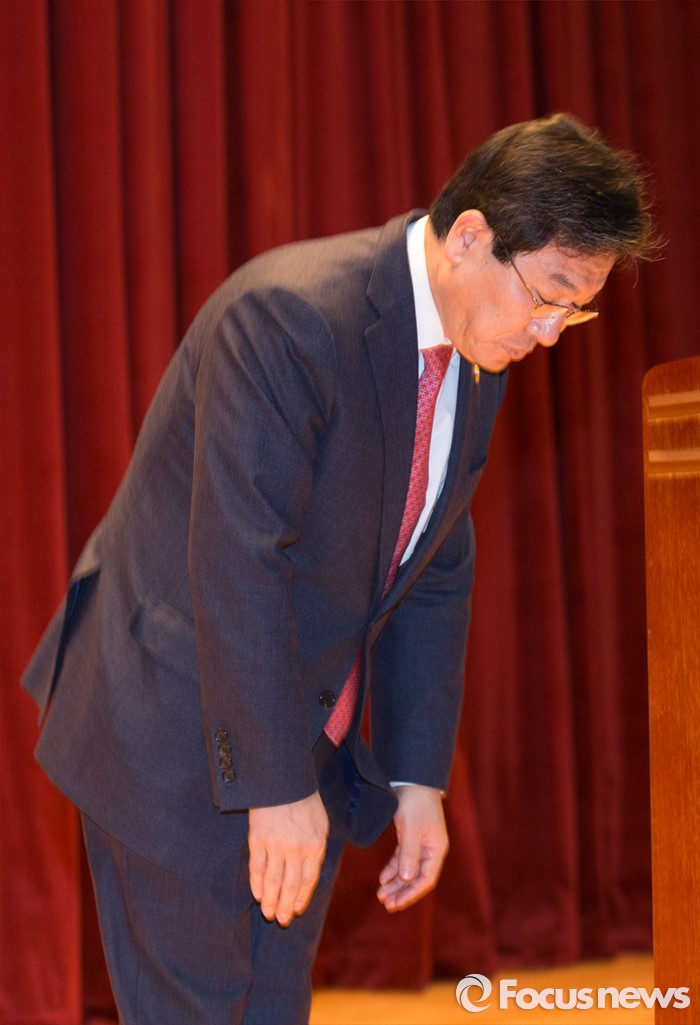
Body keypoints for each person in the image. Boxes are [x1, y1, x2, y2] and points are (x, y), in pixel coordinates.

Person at [23, 113, 657, 1025]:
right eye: (546, 296)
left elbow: (435, 568)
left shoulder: (477, 357)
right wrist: (274, 786)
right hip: (175, 720)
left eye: (575, 311)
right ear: (469, 236)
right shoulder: (290, 319)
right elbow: (238, 560)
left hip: (298, 737)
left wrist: (416, 779)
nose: (550, 333)